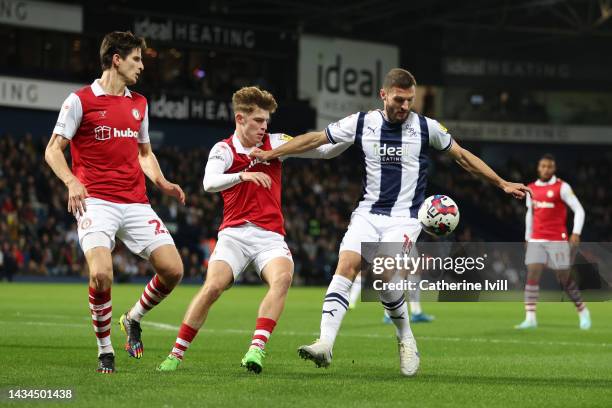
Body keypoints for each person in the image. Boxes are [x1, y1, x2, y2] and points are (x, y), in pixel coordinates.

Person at [250, 68, 531, 376]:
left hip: (405, 218)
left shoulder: (427, 128)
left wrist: (502, 183)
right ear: (384, 95)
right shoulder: (361, 122)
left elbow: (462, 156)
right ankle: (325, 344)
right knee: (346, 265)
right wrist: (273, 154)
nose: (405, 106)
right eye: (399, 99)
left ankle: (405, 338)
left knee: (384, 274)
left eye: (410, 100)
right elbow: (317, 138)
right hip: (368, 213)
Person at [157, 86, 349, 374]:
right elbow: (209, 182)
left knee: (283, 278)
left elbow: (325, 151)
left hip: (269, 237)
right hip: (234, 235)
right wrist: (244, 174)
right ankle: (175, 355)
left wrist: (353, 130)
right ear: (240, 119)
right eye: (258, 120)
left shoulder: (276, 143)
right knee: (212, 287)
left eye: (266, 121)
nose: (264, 126)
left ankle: (256, 350)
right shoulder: (223, 149)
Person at [44, 31, 185, 373]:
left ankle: (133, 318)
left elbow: (144, 153)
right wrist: (72, 180)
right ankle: (105, 349)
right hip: (96, 202)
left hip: (135, 202)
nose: (141, 66)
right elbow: (52, 150)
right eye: (136, 59)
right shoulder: (80, 101)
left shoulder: (139, 104)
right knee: (102, 275)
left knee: (173, 270)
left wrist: (162, 181)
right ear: (116, 59)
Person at [516, 154, 589, 330]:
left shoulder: (562, 187)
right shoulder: (531, 189)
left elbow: (579, 210)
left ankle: (582, 310)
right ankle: (530, 318)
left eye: (549, 166)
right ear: (538, 168)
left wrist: (576, 233)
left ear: (554, 169)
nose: (546, 169)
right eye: (543, 166)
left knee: (563, 278)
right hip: (536, 238)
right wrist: (527, 236)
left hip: (557, 238)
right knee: (532, 274)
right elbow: (530, 214)